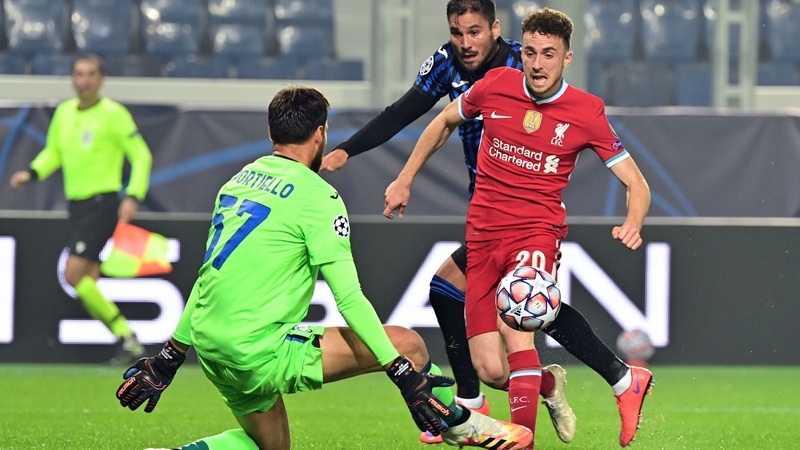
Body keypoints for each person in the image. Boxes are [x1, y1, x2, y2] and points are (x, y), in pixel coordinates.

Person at [115, 86, 534, 450]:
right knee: (408, 345)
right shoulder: (319, 197)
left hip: (209, 343)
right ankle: (463, 426)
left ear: (271, 134)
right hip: (260, 349)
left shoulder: (238, 181)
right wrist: (404, 376)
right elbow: (348, 297)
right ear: (320, 135)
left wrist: (171, 356)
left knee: (271, 447)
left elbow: (210, 276)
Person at [322, 0, 646, 446]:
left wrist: (634, 220)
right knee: (492, 365)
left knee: (523, 310)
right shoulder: (489, 81)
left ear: (497, 31)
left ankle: (517, 427)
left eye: (547, 54)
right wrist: (400, 176)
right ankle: (548, 387)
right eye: (458, 32)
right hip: (483, 225)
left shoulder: (577, 105)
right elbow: (422, 117)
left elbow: (635, 181)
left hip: (534, 229)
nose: (536, 63)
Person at [9, 55, 152, 366]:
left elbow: (141, 156)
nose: (84, 80)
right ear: (72, 79)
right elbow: (54, 152)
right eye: (79, 74)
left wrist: (133, 195)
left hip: (102, 203)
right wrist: (31, 173)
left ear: (101, 80)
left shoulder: (114, 114)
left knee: (72, 274)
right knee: (87, 278)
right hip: (77, 204)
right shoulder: (63, 113)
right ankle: (128, 343)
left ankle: (126, 335)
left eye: (90, 74)